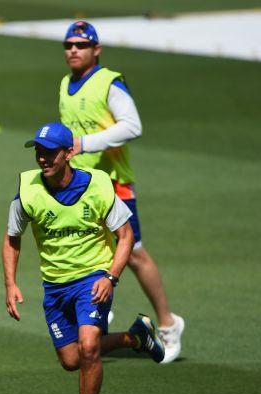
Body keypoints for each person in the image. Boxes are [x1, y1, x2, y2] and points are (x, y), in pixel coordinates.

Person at [2, 122, 165, 394]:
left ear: (69, 153)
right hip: (54, 286)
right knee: (72, 360)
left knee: (89, 346)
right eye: (38, 152)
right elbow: (11, 238)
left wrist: (110, 277)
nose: (42, 159)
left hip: (93, 279)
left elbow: (126, 235)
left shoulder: (99, 186)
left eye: (50, 152)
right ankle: (135, 337)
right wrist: (10, 283)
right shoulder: (27, 190)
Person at [57, 21, 184, 363]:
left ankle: (169, 324)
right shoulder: (65, 85)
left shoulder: (108, 82)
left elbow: (132, 125)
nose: (73, 50)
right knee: (89, 249)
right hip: (84, 186)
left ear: (96, 50)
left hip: (114, 184)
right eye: (68, 44)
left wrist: (85, 143)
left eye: (81, 45)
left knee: (136, 253)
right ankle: (97, 312)